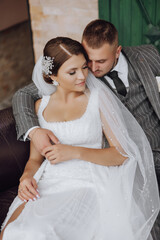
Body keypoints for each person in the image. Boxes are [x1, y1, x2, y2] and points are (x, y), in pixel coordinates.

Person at [12, 19, 160, 240]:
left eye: (98, 61)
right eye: (85, 62)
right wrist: (33, 135)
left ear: (117, 52)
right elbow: (23, 95)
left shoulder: (147, 55)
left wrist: (72, 151)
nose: (88, 71)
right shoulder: (59, 90)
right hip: (75, 174)